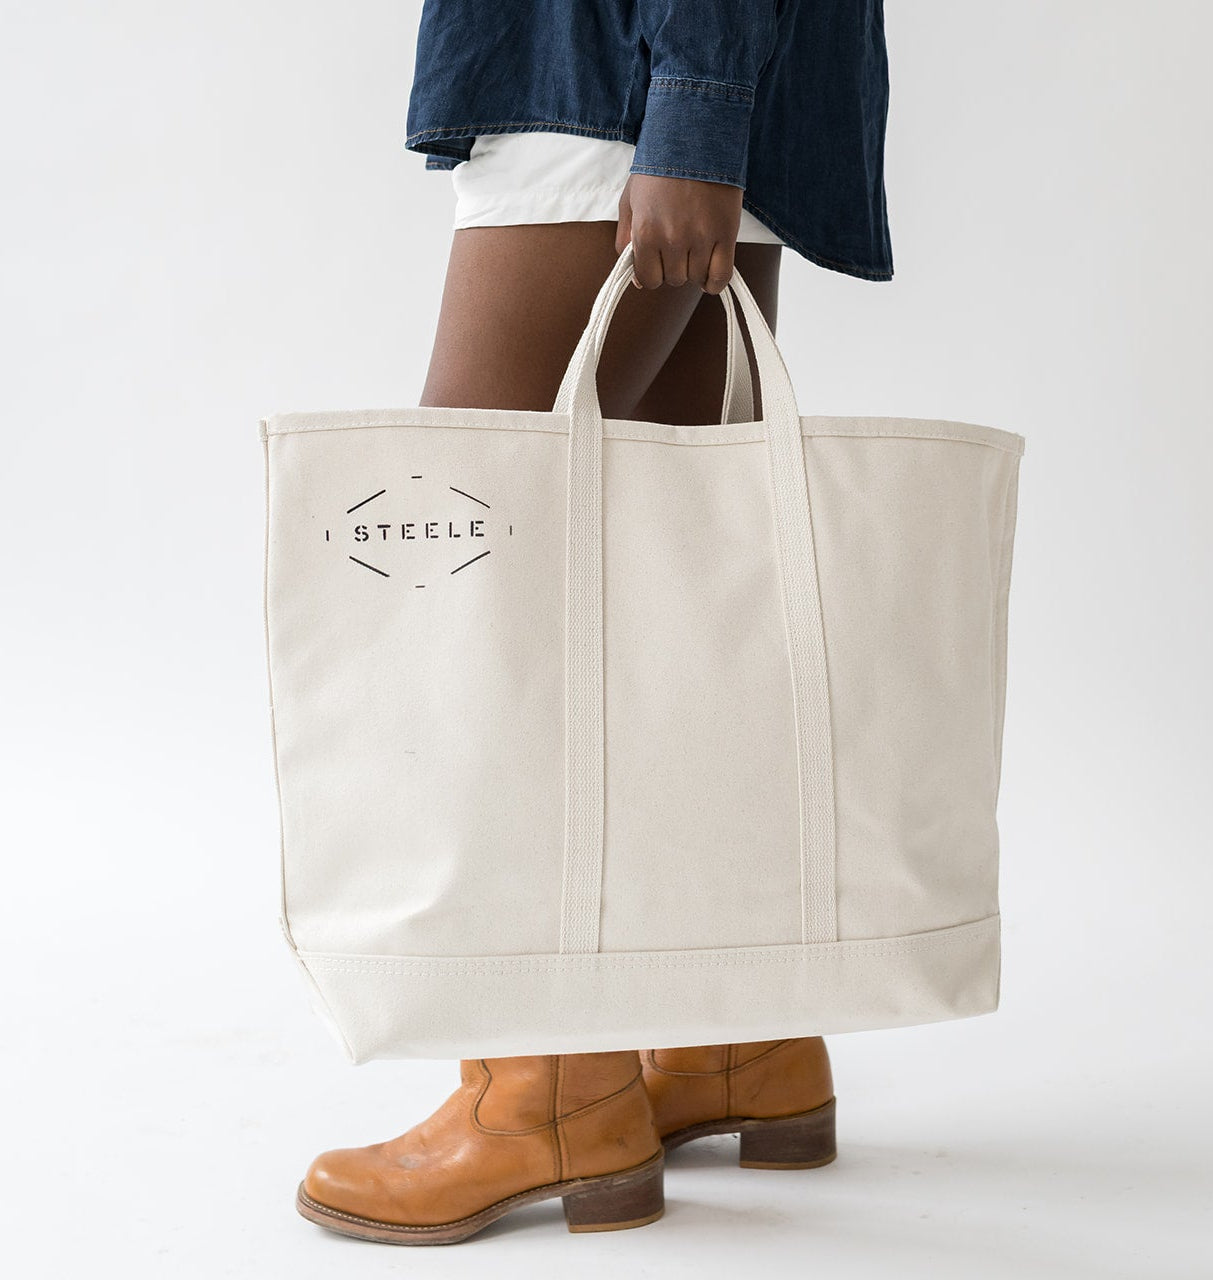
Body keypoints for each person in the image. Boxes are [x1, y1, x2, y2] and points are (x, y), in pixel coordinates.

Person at [294, 0, 892, 1245]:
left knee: (478, 593)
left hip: (611, 81)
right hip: (670, 74)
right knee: (655, 582)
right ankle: (732, 1024)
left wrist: (693, 110)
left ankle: (544, 1090)